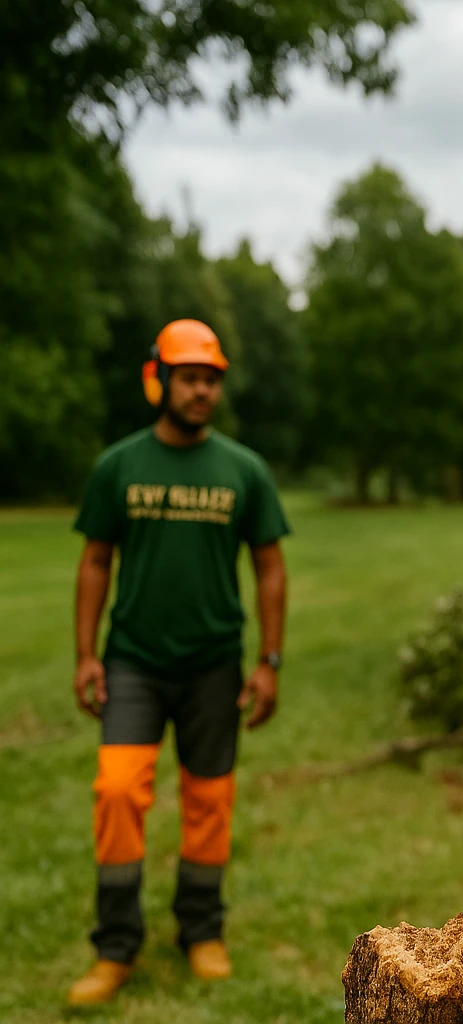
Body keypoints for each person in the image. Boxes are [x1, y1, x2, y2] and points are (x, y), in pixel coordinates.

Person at [67, 319, 291, 1005]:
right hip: (132, 660)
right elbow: (95, 560)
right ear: (157, 379)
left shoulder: (244, 470)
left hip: (214, 664)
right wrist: (84, 654)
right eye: (191, 377)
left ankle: (201, 931)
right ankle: (115, 947)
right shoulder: (119, 466)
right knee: (116, 791)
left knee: (208, 801)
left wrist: (269, 661)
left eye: (212, 380)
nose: (202, 391)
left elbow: (271, 568)